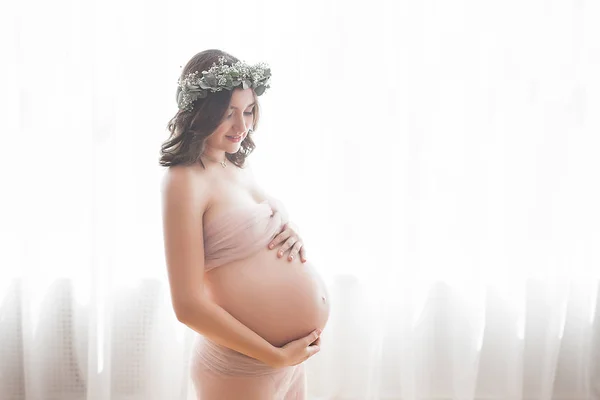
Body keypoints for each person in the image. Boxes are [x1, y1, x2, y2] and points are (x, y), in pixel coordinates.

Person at [159, 49, 331, 399]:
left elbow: (246, 237)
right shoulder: (184, 180)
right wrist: (275, 355)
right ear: (199, 114)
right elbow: (187, 305)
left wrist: (288, 228)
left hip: (287, 363)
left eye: (249, 111)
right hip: (242, 369)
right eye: (227, 114)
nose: (242, 126)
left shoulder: (235, 163)